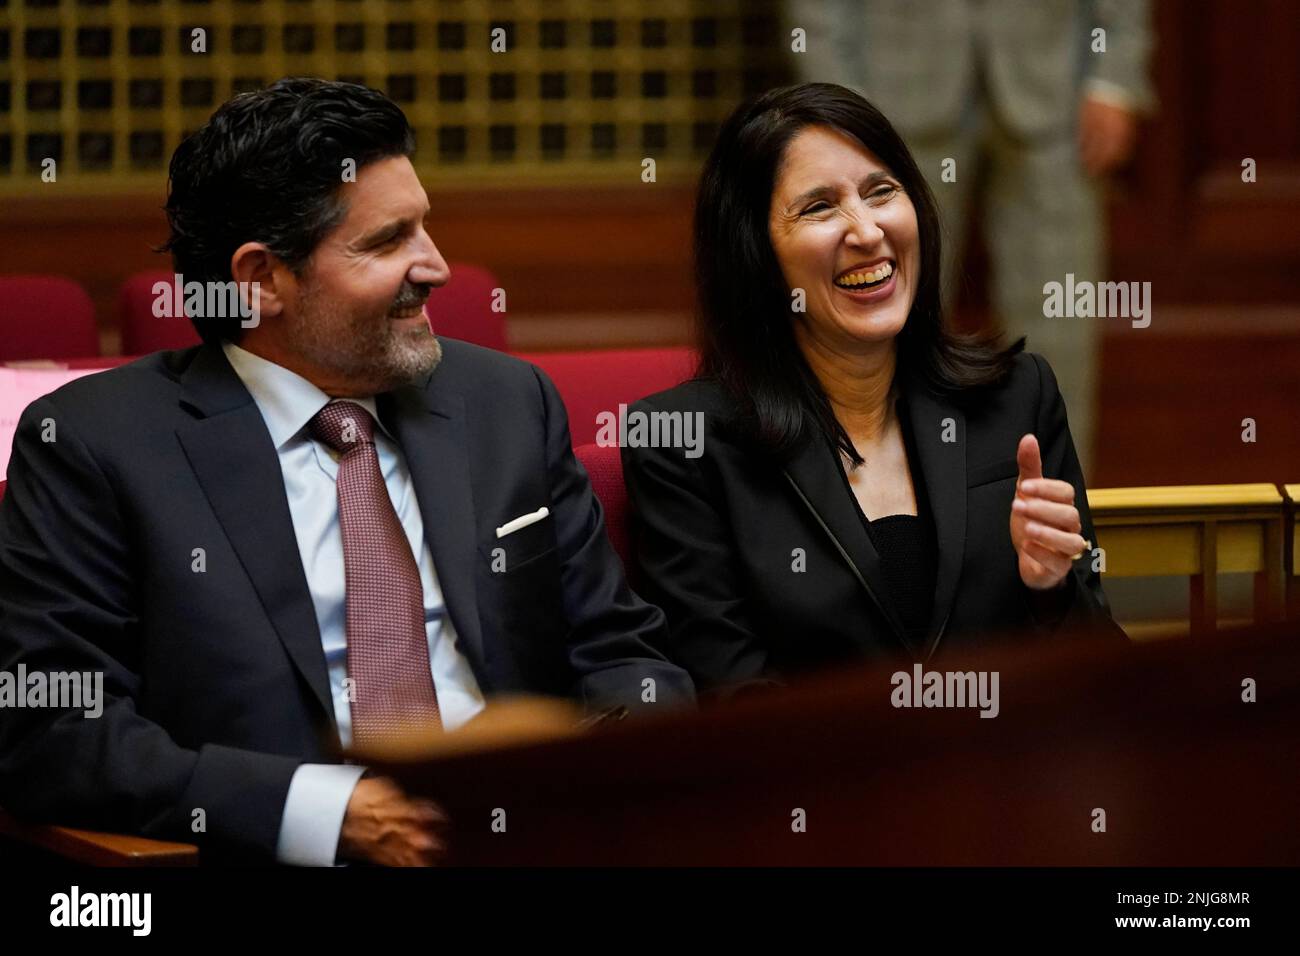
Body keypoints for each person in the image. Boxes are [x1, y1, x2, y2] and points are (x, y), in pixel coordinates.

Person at [0, 78, 693, 866]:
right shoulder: (97, 444)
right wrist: (324, 814)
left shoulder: (504, 402)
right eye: (387, 241)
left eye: (424, 228)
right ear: (262, 279)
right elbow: (55, 731)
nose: (435, 267)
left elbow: (625, 654)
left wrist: (594, 771)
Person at [622, 83, 1126, 698]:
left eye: (881, 191)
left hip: (1006, 777)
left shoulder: (1016, 398)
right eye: (818, 208)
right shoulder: (687, 448)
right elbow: (731, 701)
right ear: (755, 253)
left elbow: (1102, 669)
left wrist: (1050, 590)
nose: (866, 230)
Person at [786, 0, 1157, 477]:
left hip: (1058, 90)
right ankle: (882, 507)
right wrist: (836, 97)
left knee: (1061, 314)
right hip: (891, 93)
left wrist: (1115, 77)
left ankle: (1060, 512)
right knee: (882, 316)